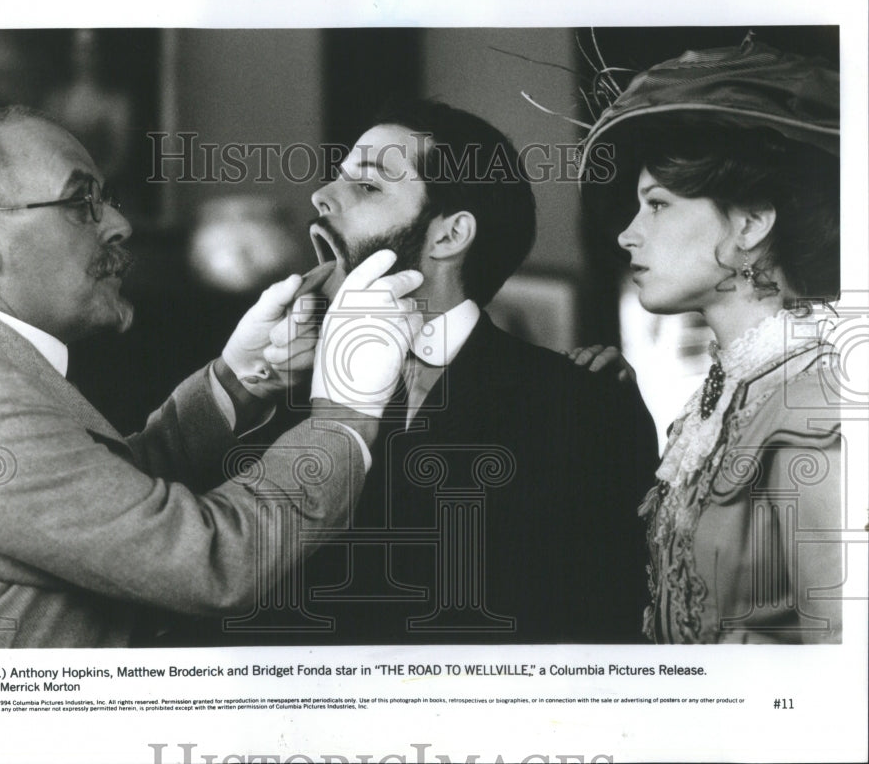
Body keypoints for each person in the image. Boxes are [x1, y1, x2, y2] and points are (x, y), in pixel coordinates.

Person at [0, 106, 423, 648]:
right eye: (81, 204)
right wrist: (344, 413)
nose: (119, 225)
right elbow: (214, 564)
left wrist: (238, 380)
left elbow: (93, 507)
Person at [191, 100, 659, 645]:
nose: (320, 196)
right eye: (338, 178)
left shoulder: (581, 402)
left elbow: (597, 630)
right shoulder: (271, 392)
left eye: (368, 187)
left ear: (448, 236)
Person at [578, 38, 844, 643]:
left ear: (750, 223)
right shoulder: (715, 406)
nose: (627, 235)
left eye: (658, 205)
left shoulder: (816, 408)